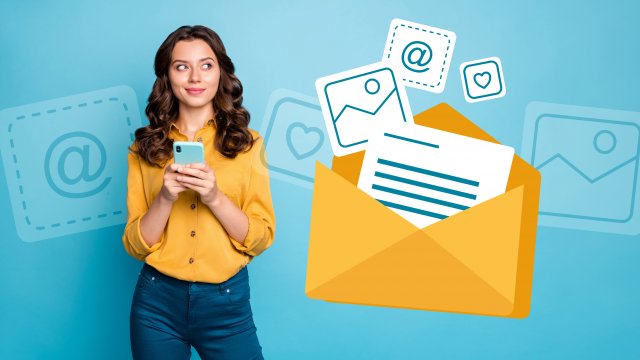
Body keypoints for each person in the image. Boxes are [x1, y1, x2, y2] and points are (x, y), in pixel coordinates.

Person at [122, 25, 275, 360]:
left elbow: (261, 238)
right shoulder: (143, 149)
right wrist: (164, 198)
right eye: (182, 66)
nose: (195, 77)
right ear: (167, 75)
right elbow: (134, 245)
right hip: (156, 303)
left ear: (221, 73)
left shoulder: (249, 145)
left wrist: (214, 198)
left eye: (206, 65)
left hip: (227, 303)